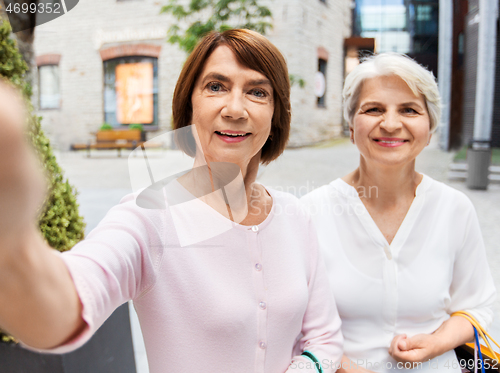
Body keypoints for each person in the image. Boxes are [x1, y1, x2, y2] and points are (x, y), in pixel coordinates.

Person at [0, 30, 343, 372]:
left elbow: (325, 339)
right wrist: (12, 237)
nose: (235, 109)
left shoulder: (294, 216)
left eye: (257, 92)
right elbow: (66, 304)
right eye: (216, 86)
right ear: (189, 102)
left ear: (276, 114)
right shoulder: (149, 217)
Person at [301, 53, 496, 373]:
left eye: (409, 109)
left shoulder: (454, 208)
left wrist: (438, 342)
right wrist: (343, 367)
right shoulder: (311, 211)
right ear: (351, 127)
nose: (391, 124)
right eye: (374, 109)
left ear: (430, 127)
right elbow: (292, 320)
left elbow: (477, 305)